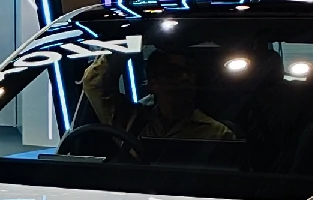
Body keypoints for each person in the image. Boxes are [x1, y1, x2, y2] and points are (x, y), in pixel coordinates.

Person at [80, 48, 238, 142]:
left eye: (189, 71)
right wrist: (129, 42)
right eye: (172, 72)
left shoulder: (217, 134)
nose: (185, 78)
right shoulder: (132, 122)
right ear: (152, 83)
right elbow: (95, 84)